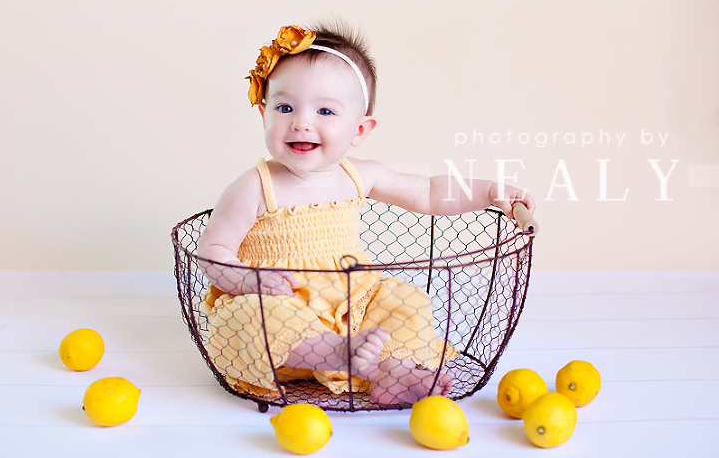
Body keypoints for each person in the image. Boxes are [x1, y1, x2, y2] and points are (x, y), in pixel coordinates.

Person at [196, 23, 536, 405]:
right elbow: (213, 251)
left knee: (405, 300)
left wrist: (489, 192)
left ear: (359, 130)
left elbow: (430, 193)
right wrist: (247, 281)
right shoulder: (254, 186)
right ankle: (336, 354)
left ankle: (393, 370)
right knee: (242, 320)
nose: (301, 122)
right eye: (285, 107)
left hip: (353, 308)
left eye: (325, 110)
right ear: (264, 114)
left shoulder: (361, 175)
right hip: (282, 315)